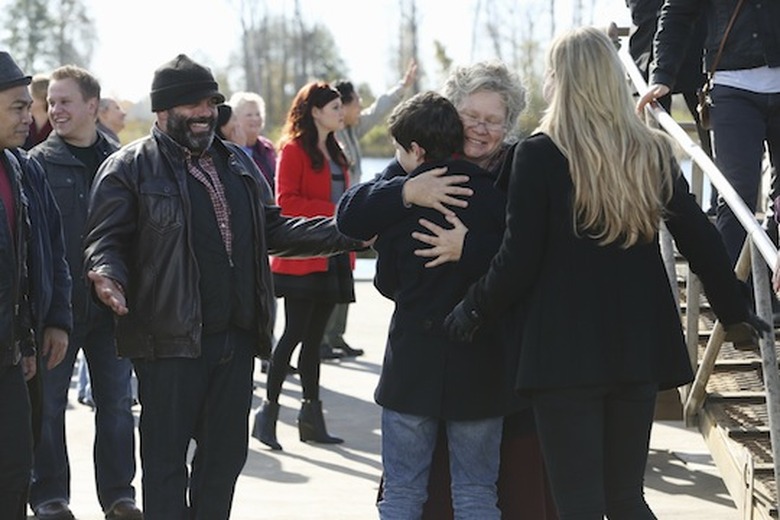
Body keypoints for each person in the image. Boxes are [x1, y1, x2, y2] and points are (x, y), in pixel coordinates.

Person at [443, 27, 768, 518]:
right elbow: (699, 237)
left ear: (563, 81)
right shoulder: (650, 150)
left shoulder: (538, 154)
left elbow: (519, 259)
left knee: (578, 505)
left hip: (563, 355)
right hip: (636, 349)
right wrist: (734, 311)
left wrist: (472, 309)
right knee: (625, 499)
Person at [83, 54, 365, 519]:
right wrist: (107, 275)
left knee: (224, 461)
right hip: (169, 344)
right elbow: (104, 240)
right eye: (191, 104)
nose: (204, 112)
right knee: (166, 463)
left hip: (234, 339)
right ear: (162, 111)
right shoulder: (128, 167)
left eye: (210, 102)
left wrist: (349, 231)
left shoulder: (235, 162)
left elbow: (273, 227)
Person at [337, 60, 557, 519]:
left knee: (408, 494)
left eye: (493, 120)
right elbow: (352, 213)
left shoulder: (522, 168)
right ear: (450, 118)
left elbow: (536, 257)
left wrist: (469, 248)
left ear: (509, 124)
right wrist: (405, 193)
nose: (480, 128)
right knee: (475, 494)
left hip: (481, 363)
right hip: (463, 370)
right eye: (470, 117)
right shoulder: (416, 175)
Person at [28, 65, 141, 520]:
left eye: (65, 101)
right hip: (56, 312)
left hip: (113, 310)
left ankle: (119, 497)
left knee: (116, 404)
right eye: (50, 102)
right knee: (50, 406)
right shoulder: (34, 164)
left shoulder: (124, 162)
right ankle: (49, 498)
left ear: (92, 106)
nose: (54, 110)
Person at [637, 1, 780, 265]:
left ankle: (765, 287)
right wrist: (662, 76)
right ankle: (735, 296)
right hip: (732, 87)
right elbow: (677, 11)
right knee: (737, 195)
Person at [253, 81, 354, 451]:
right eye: (334, 108)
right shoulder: (293, 150)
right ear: (314, 111)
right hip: (302, 256)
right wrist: (341, 214)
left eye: (341, 107)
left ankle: (311, 420)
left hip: (334, 256)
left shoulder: (337, 151)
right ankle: (267, 414)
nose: (341, 113)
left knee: (313, 341)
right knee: (294, 334)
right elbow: (287, 203)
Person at [320, 61, 418, 360]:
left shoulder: (351, 129)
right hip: (338, 215)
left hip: (356, 213)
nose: (359, 107)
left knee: (346, 278)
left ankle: (336, 336)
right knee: (331, 279)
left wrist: (401, 89)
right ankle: (324, 338)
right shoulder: (328, 137)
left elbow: (377, 111)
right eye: (354, 103)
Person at [0, 49, 41, 519]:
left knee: (16, 468)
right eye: (17, 107)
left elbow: (21, 264)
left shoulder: (15, 166)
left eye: (28, 106)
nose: (29, 117)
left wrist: (26, 336)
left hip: (9, 355)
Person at [626, 0, 716, 212]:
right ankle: (674, 199)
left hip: (697, 44)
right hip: (650, 43)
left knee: (711, 131)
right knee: (654, 142)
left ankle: (716, 200)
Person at [229, 91, 277, 189]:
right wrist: (240, 148)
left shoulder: (267, 146)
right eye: (249, 115)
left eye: (258, 114)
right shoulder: (229, 147)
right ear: (236, 118)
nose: (255, 119)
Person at [22, 73, 52, 150]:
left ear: (42, 97)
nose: (27, 99)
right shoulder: (24, 122)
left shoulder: (56, 125)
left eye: (30, 95)